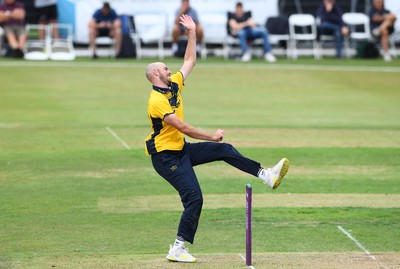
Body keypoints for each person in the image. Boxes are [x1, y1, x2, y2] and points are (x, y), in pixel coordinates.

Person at [145, 14, 289, 263]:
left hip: (180, 150)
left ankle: (266, 175)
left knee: (226, 150)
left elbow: (190, 60)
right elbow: (184, 127)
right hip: (165, 157)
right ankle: (177, 249)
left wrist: (191, 32)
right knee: (194, 198)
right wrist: (211, 136)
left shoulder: (174, 85)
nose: (171, 70)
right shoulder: (156, 101)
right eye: (166, 68)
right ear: (157, 74)